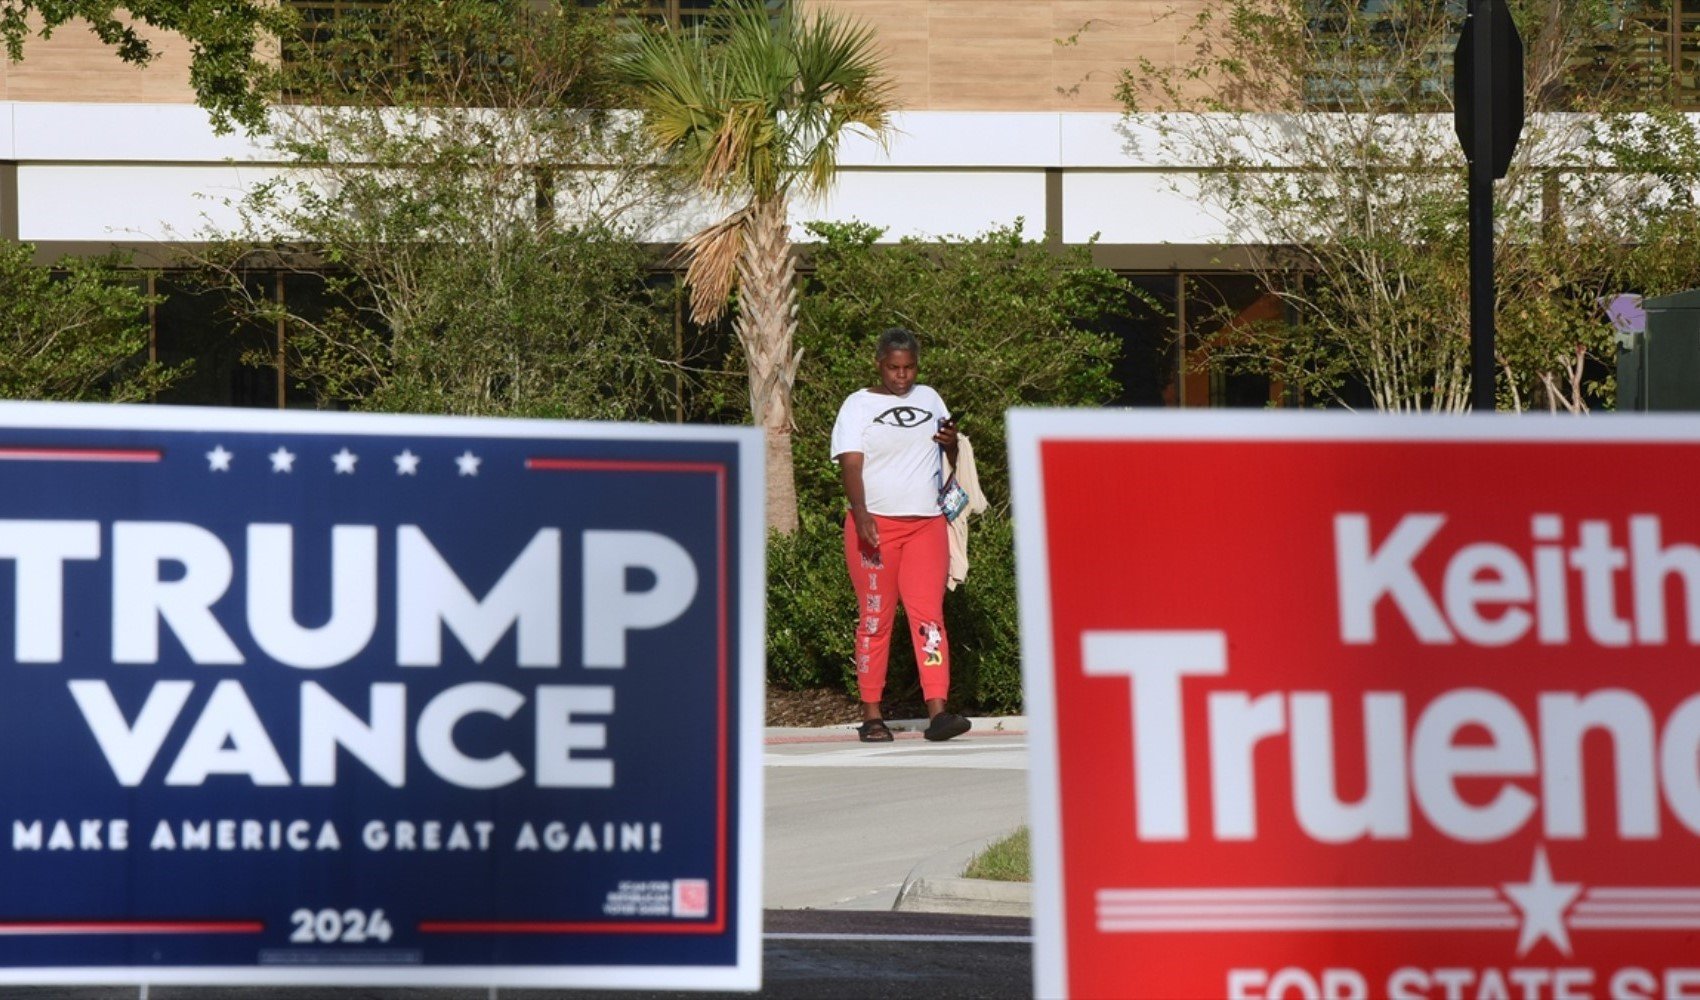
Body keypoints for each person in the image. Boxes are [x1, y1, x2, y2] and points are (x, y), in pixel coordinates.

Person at [830, 327, 971, 743]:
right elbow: (851, 464)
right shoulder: (858, 405)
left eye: (909, 368)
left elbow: (948, 454)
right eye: (894, 368)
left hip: (926, 524)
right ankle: (872, 715)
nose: (902, 376)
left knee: (929, 619)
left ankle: (939, 713)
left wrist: (949, 444)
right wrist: (861, 512)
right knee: (876, 619)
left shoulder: (929, 398)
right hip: (875, 526)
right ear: (880, 364)